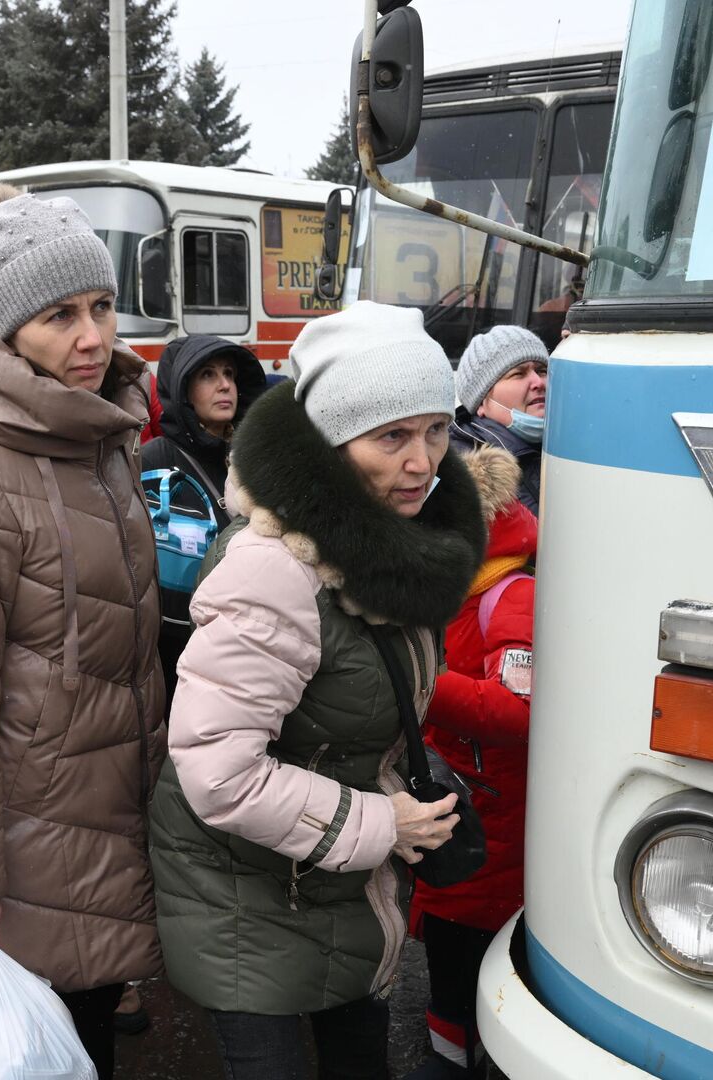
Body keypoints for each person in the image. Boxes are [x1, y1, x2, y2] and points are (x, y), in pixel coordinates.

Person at [150, 300, 485, 1080]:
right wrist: (385, 820)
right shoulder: (276, 566)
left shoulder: (389, 548)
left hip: (327, 884)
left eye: (437, 429)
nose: (424, 460)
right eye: (392, 436)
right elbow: (217, 769)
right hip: (243, 898)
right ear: (333, 444)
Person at [0, 182, 165, 1078]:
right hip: (25, 841)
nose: (93, 338)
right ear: (7, 328)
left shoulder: (95, 432)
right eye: (59, 316)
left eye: (101, 306)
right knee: (39, 1049)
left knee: (81, 1042)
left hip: (106, 807)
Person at [407, 449, 537, 1079]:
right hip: (462, 803)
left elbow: (515, 710)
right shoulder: (464, 587)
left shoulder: (509, 593)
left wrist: (423, 681)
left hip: (490, 820)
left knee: (467, 965)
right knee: (449, 960)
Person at [140, 335, 266, 699]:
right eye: (208, 375)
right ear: (183, 391)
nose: (225, 384)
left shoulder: (253, 458)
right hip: (171, 652)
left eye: (229, 374)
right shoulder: (153, 460)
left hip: (242, 645)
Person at [448, 324, 548, 515]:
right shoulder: (457, 470)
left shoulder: (572, 447)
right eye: (518, 374)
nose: (538, 382)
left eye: (542, 370)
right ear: (482, 403)